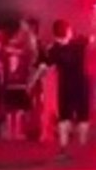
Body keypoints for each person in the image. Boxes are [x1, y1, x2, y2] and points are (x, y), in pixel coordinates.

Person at [39, 20, 92, 157]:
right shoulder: (78, 44)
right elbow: (92, 38)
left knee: (65, 117)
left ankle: (63, 147)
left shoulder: (54, 49)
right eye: (69, 28)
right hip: (81, 85)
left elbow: (43, 67)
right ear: (67, 31)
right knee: (82, 117)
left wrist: (31, 82)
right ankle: (82, 146)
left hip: (65, 86)